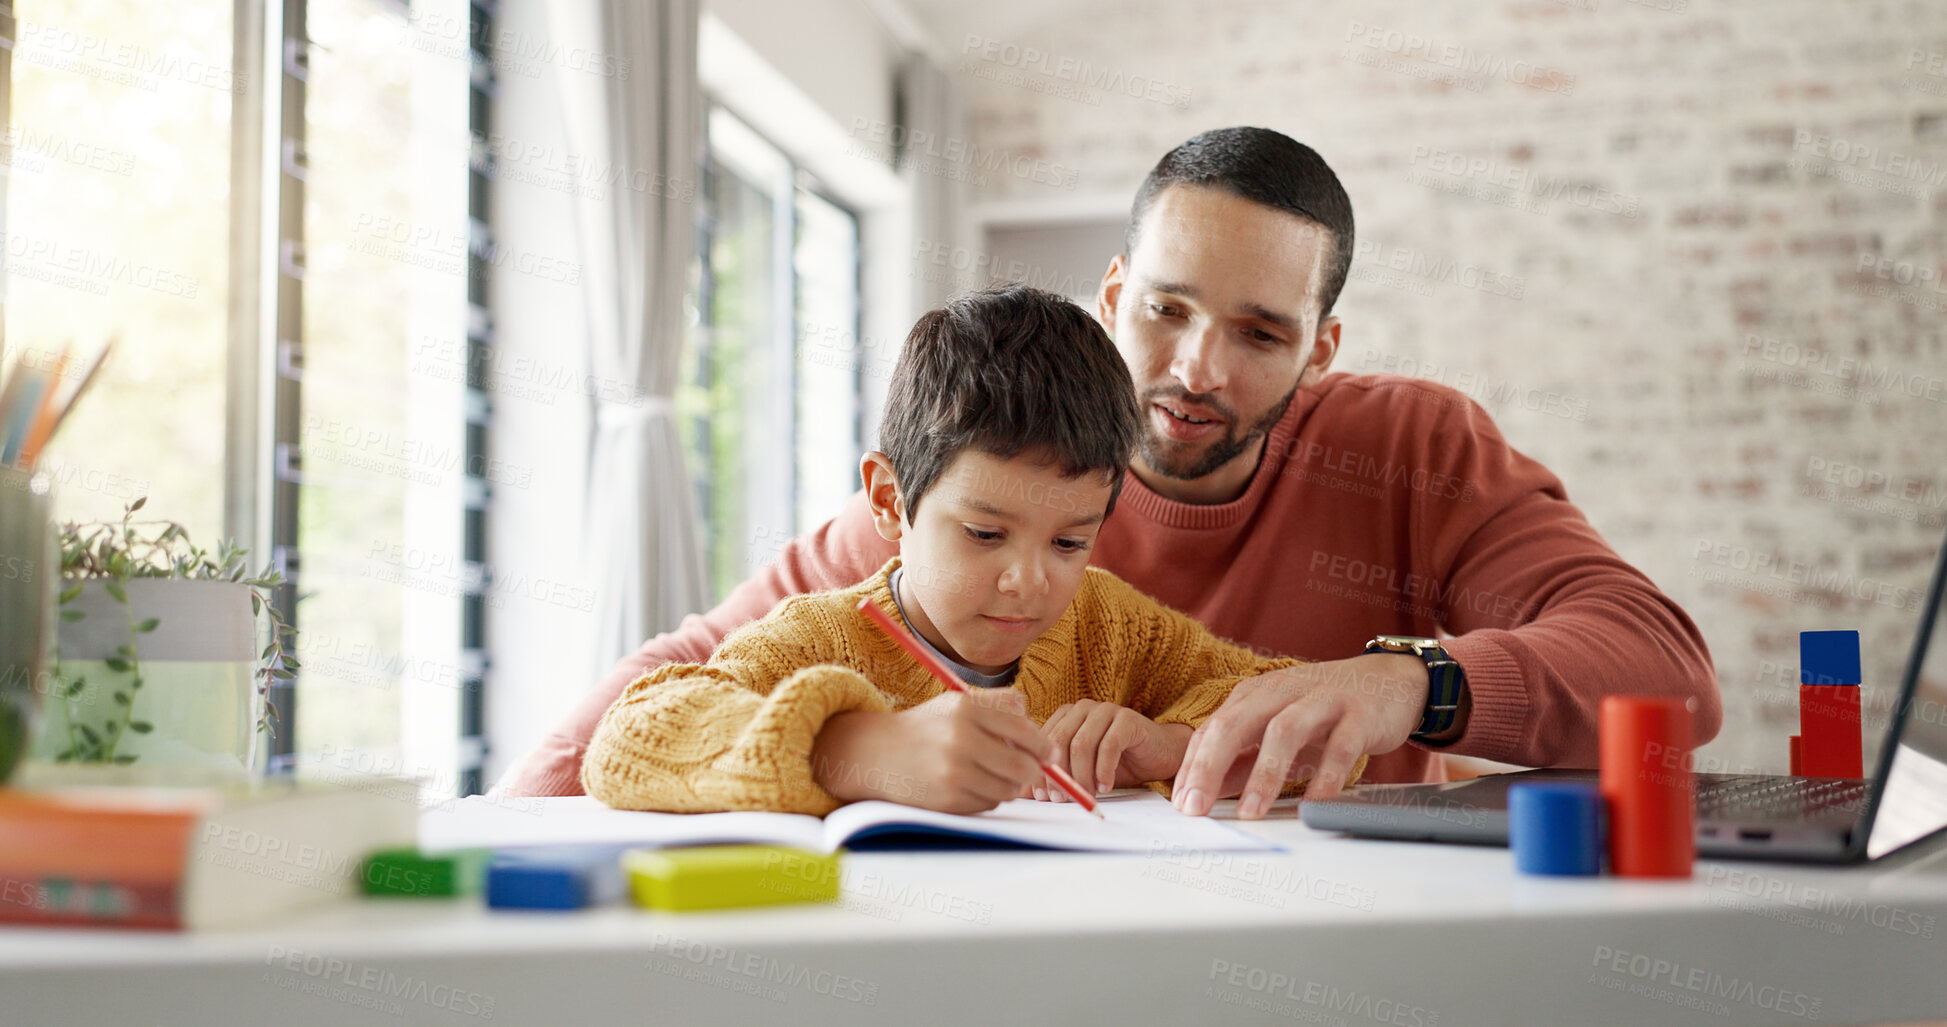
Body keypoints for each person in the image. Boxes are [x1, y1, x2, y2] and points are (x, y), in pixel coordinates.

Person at [507, 126, 1720, 820]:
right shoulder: (982, 477)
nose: (1194, 370)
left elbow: (1664, 669)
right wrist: (487, 836)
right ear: (1111, 297)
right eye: (1165, 310)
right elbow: (674, 682)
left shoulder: (1418, 445)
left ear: (1322, 347)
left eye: (1260, 333)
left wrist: (1411, 685)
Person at [580, 285, 1366, 815]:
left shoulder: (1111, 627)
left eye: (1069, 540)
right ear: (890, 501)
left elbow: (1312, 717)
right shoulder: (819, 637)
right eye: (983, 533)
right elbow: (628, 742)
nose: (1028, 579)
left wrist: (1167, 742)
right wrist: (853, 749)